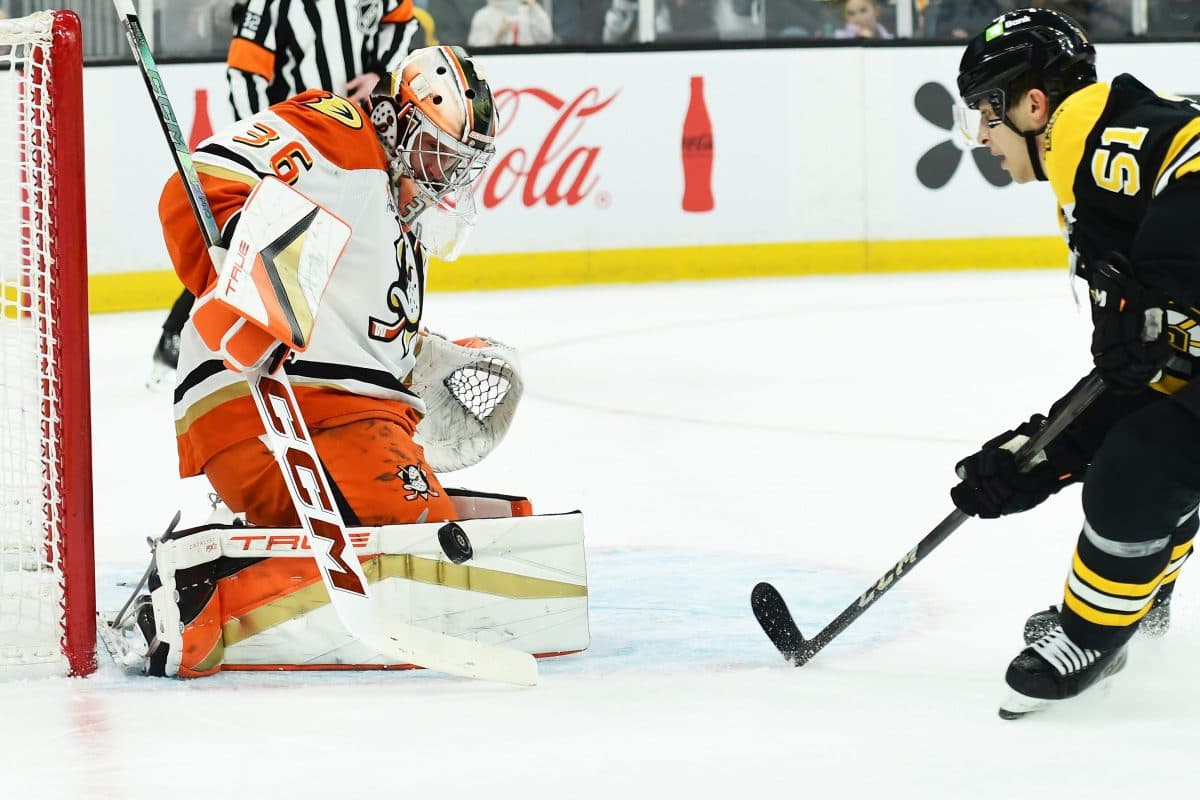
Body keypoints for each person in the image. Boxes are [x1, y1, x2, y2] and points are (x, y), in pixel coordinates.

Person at [951, 8, 1199, 717]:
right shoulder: (1092, 189)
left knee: (1140, 466)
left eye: (986, 118)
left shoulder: (1116, 139)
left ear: (1033, 105)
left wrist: (1172, 273)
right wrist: (1036, 459)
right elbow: (1137, 376)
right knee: (1164, 430)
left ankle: (1091, 636)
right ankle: (1141, 592)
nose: (984, 141)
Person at [159, 44, 496, 531]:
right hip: (278, 414)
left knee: (472, 530)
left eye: (458, 165)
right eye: (435, 151)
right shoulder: (343, 131)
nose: (442, 175)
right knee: (431, 543)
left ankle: (245, 575)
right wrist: (256, 282)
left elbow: (349, 331)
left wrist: (423, 358)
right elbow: (197, 185)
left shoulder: (400, 227)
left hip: (345, 422)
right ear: (395, 118)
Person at [149, 0, 420, 385]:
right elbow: (245, 70)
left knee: (364, 239)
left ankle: (369, 334)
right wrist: (264, 142)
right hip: (305, 150)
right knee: (274, 244)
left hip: (367, 142)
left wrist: (379, 71)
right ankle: (182, 330)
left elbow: (401, 19)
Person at [467, 0, 554, 47]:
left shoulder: (531, 10)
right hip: (497, 64)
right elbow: (475, 47)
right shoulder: (483, 15)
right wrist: (498, 34)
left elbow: (546, 38)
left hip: (529, 62)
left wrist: (534, 9)